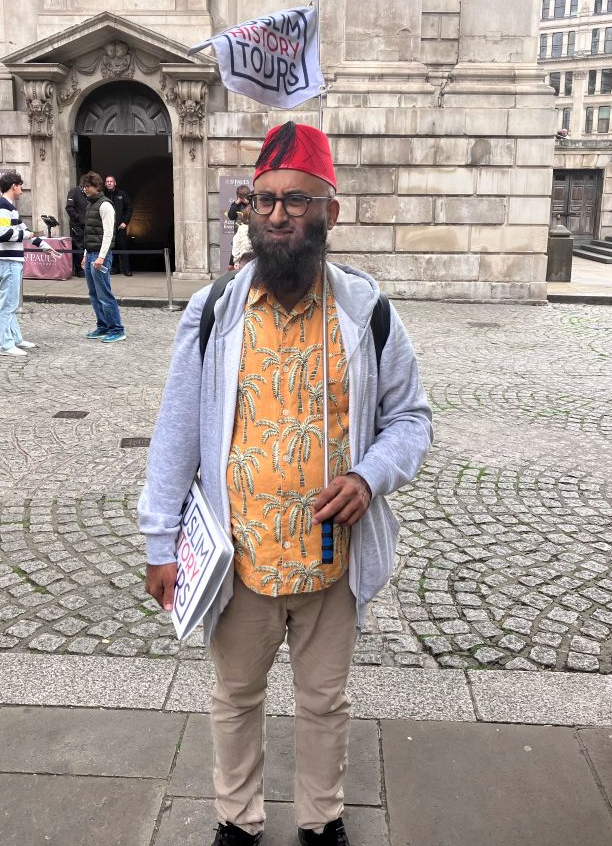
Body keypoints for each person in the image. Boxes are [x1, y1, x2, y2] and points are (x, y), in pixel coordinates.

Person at [140, 122, 433, 846]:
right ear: (248, 210)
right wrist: (158, 540)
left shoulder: (368, 314)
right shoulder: (213, 312)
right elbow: (177, 433)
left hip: (331, 560)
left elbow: (413, 420)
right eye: (263, 200)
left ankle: (320, 819)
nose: (276, 215)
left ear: (330, 213)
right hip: (238, 560)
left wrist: (369, 476)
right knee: (235, 698)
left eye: (296, 200)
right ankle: (237, 822)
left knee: (323, 702)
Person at [0, 171, 59, 357]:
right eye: (20, 186)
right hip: (8, 261)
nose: (22, 190)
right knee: (8, 305)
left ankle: (15, 338)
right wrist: (26, 235)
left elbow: (23, 229)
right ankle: (5, 345)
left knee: (11, 303)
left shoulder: (10, 207)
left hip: (11, 261)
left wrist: (45, 247)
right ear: (13, 186)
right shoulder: (3, 207)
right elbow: (5, 235)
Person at [80, 171, 126, 343]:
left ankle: (117, 328)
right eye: (84, 186)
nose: (84, 189)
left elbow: (108, 233)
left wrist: (101, 256)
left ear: (96, 187)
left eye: (87, 186)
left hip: (100, 255)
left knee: (104, 294)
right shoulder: (90, 204)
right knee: (94, 294)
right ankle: (103, 325)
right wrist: (86, 254)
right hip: (91, 253)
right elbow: (90, 233)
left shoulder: (105, 205)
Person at [104, 174, 133, 276]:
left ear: (115, 183)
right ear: (105, 184)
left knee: (123, 247)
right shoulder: (103, 195)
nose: (109, 183)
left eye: (111, 181)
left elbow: (129, 209)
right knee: (111, 248)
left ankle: (126, 269)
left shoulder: (122, 194)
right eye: (107, 181)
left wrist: (125, 222)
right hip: (108, 227)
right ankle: (114, 269)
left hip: (120, 227)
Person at [65, 181, 88, 277]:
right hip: (76, 225)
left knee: (86, 246)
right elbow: (69, 208)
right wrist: (79, 217)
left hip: (86, 225)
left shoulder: (88, 194)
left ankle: (85, 268)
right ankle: (79, 270)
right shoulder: (74, 191)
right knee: (78, 247)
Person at [227, 184, 251, 269]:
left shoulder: (253, 204)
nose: (244, 199)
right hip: (238, 236)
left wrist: (249, 203)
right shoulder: (236, 205)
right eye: (241, 197)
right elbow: (231, 216)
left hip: (249, 237)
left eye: (245, 197)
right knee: (231, 266)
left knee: (246, 263)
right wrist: (236, 204)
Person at [231, 203, 253, 268]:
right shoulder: (259, 228)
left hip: (244, 260)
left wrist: (236, 261)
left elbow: (236, 245)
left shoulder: (241, 228)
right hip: (253, 260)